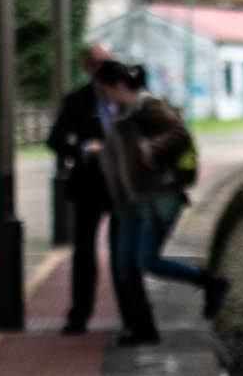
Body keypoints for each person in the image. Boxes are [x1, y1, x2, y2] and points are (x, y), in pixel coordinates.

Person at [90, 59, 215, 346]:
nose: (105, 97)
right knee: (124, 264)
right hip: (131, 201)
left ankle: (208, 281)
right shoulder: (123, 112)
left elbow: (179, 133)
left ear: (119, 86)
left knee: (146, 260)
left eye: (107, 90)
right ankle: (142, 326)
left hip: (156, 197)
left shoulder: (147, 106)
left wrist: (152, 149)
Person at [48, 42, 118, 334]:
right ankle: (79, 315)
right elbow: (55, 139)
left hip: (121, 185)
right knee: (84, 252)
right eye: (96, 63)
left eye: (106, 61)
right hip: (89, 185)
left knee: (123, 251)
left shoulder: (125, 95)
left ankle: (131, 315)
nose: (102, 68)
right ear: (87, 67)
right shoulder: (77, 100)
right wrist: (80, 148)